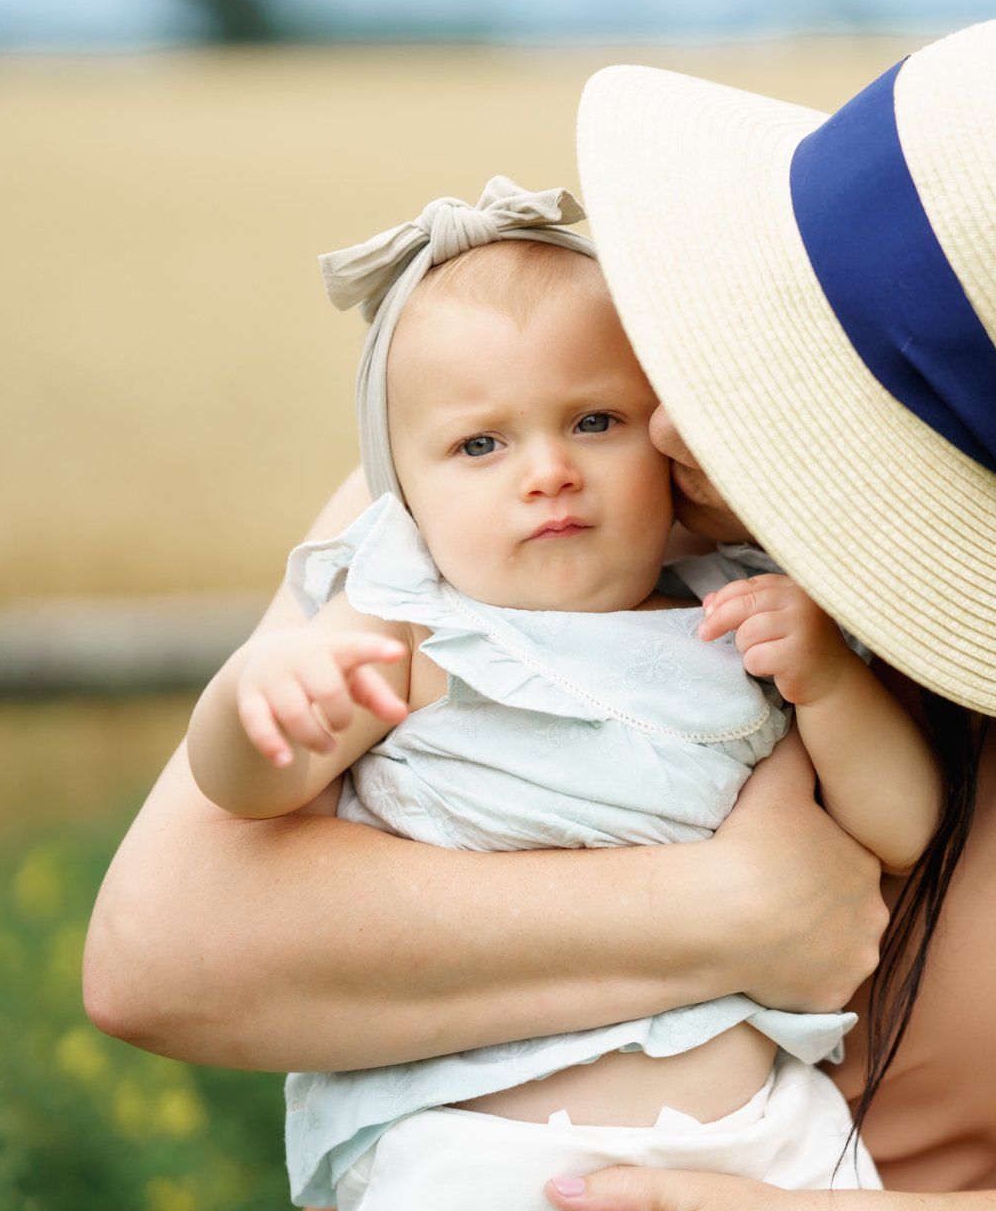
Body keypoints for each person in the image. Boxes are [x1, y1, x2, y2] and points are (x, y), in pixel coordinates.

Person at [85, 17, 996, 1210]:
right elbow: (160, 954)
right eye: (757, 327)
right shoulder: (497, 494)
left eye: (798, 396)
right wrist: (721, 911)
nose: (670, 423)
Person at [183, 179, 940, 1207]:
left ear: (665, 440)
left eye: (594, 420)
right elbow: (248, 794)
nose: (547, 471)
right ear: (401, 490)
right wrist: (257, 699)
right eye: (480, 444)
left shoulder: (735, 611)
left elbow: (900, 823)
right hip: (479, 1152)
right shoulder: (408, 630)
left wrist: (830, 680)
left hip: (765, 1140)